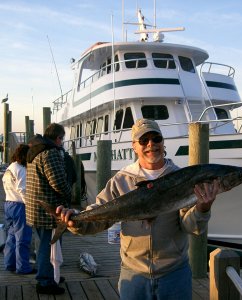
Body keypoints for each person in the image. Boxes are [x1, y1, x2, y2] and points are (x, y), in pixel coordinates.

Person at [57, 118, 220, 300]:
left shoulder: (181, 178)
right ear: (134, 146)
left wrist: (203, 208)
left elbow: (190, 226)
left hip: (174, 273)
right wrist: (76, 221)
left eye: (156, 138)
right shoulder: (121, 181)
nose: (151, 144)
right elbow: (101, 214)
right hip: (133, 274)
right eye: (143, 140)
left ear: (163, 142)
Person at [25, 123, 72, 295]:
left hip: (35, 209)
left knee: (44, 245)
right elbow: (58, 182)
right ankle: (45, 282)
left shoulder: (35, 150)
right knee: (48, 245)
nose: (62, 143)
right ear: (58, 138)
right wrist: (69, 195)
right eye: (62, 139)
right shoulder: (50, 152)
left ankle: (52, 275)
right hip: (48, 210)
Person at [2, 144, 35, 274]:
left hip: (9, 204)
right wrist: (30, 205)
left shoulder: (10, 168)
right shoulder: (22, 170)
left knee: (11, 236)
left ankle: (10, 264)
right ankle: (23, 268)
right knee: (23, 238)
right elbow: (23, 190)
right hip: (20, 206)